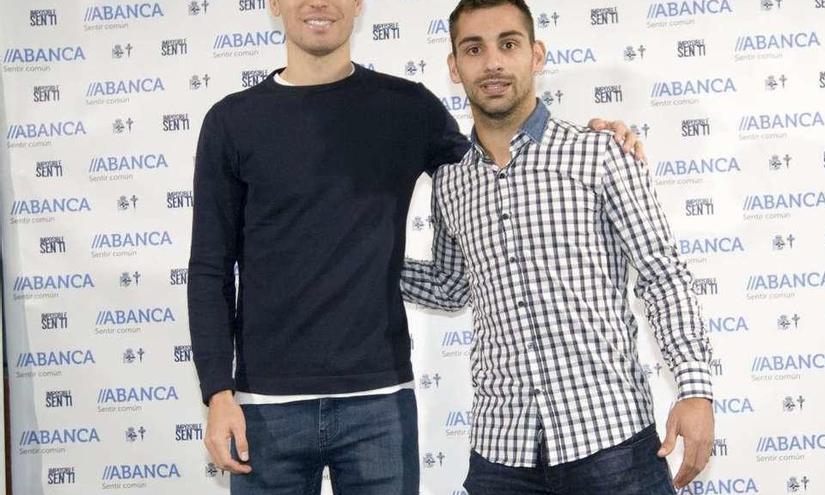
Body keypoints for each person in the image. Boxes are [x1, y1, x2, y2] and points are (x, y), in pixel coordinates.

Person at [187, 0, 646, 493]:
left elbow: (495, 165)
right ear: (274, 4)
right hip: (262, 407)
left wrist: (588, 137)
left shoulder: (406, 107)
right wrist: (217, 391)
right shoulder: (231, 122)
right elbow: (210, 269)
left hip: (379, 405)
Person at [400, 1, 715, 494]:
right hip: (501, 452)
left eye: (508, 44)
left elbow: (661, 273)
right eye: (474, 49)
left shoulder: (600, 153)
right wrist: (364, 263)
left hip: (611, 443)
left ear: (536, 55)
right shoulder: (452, 184)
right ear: (454, 67)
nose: (493, 63)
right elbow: (451, 285)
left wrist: (694, 388)